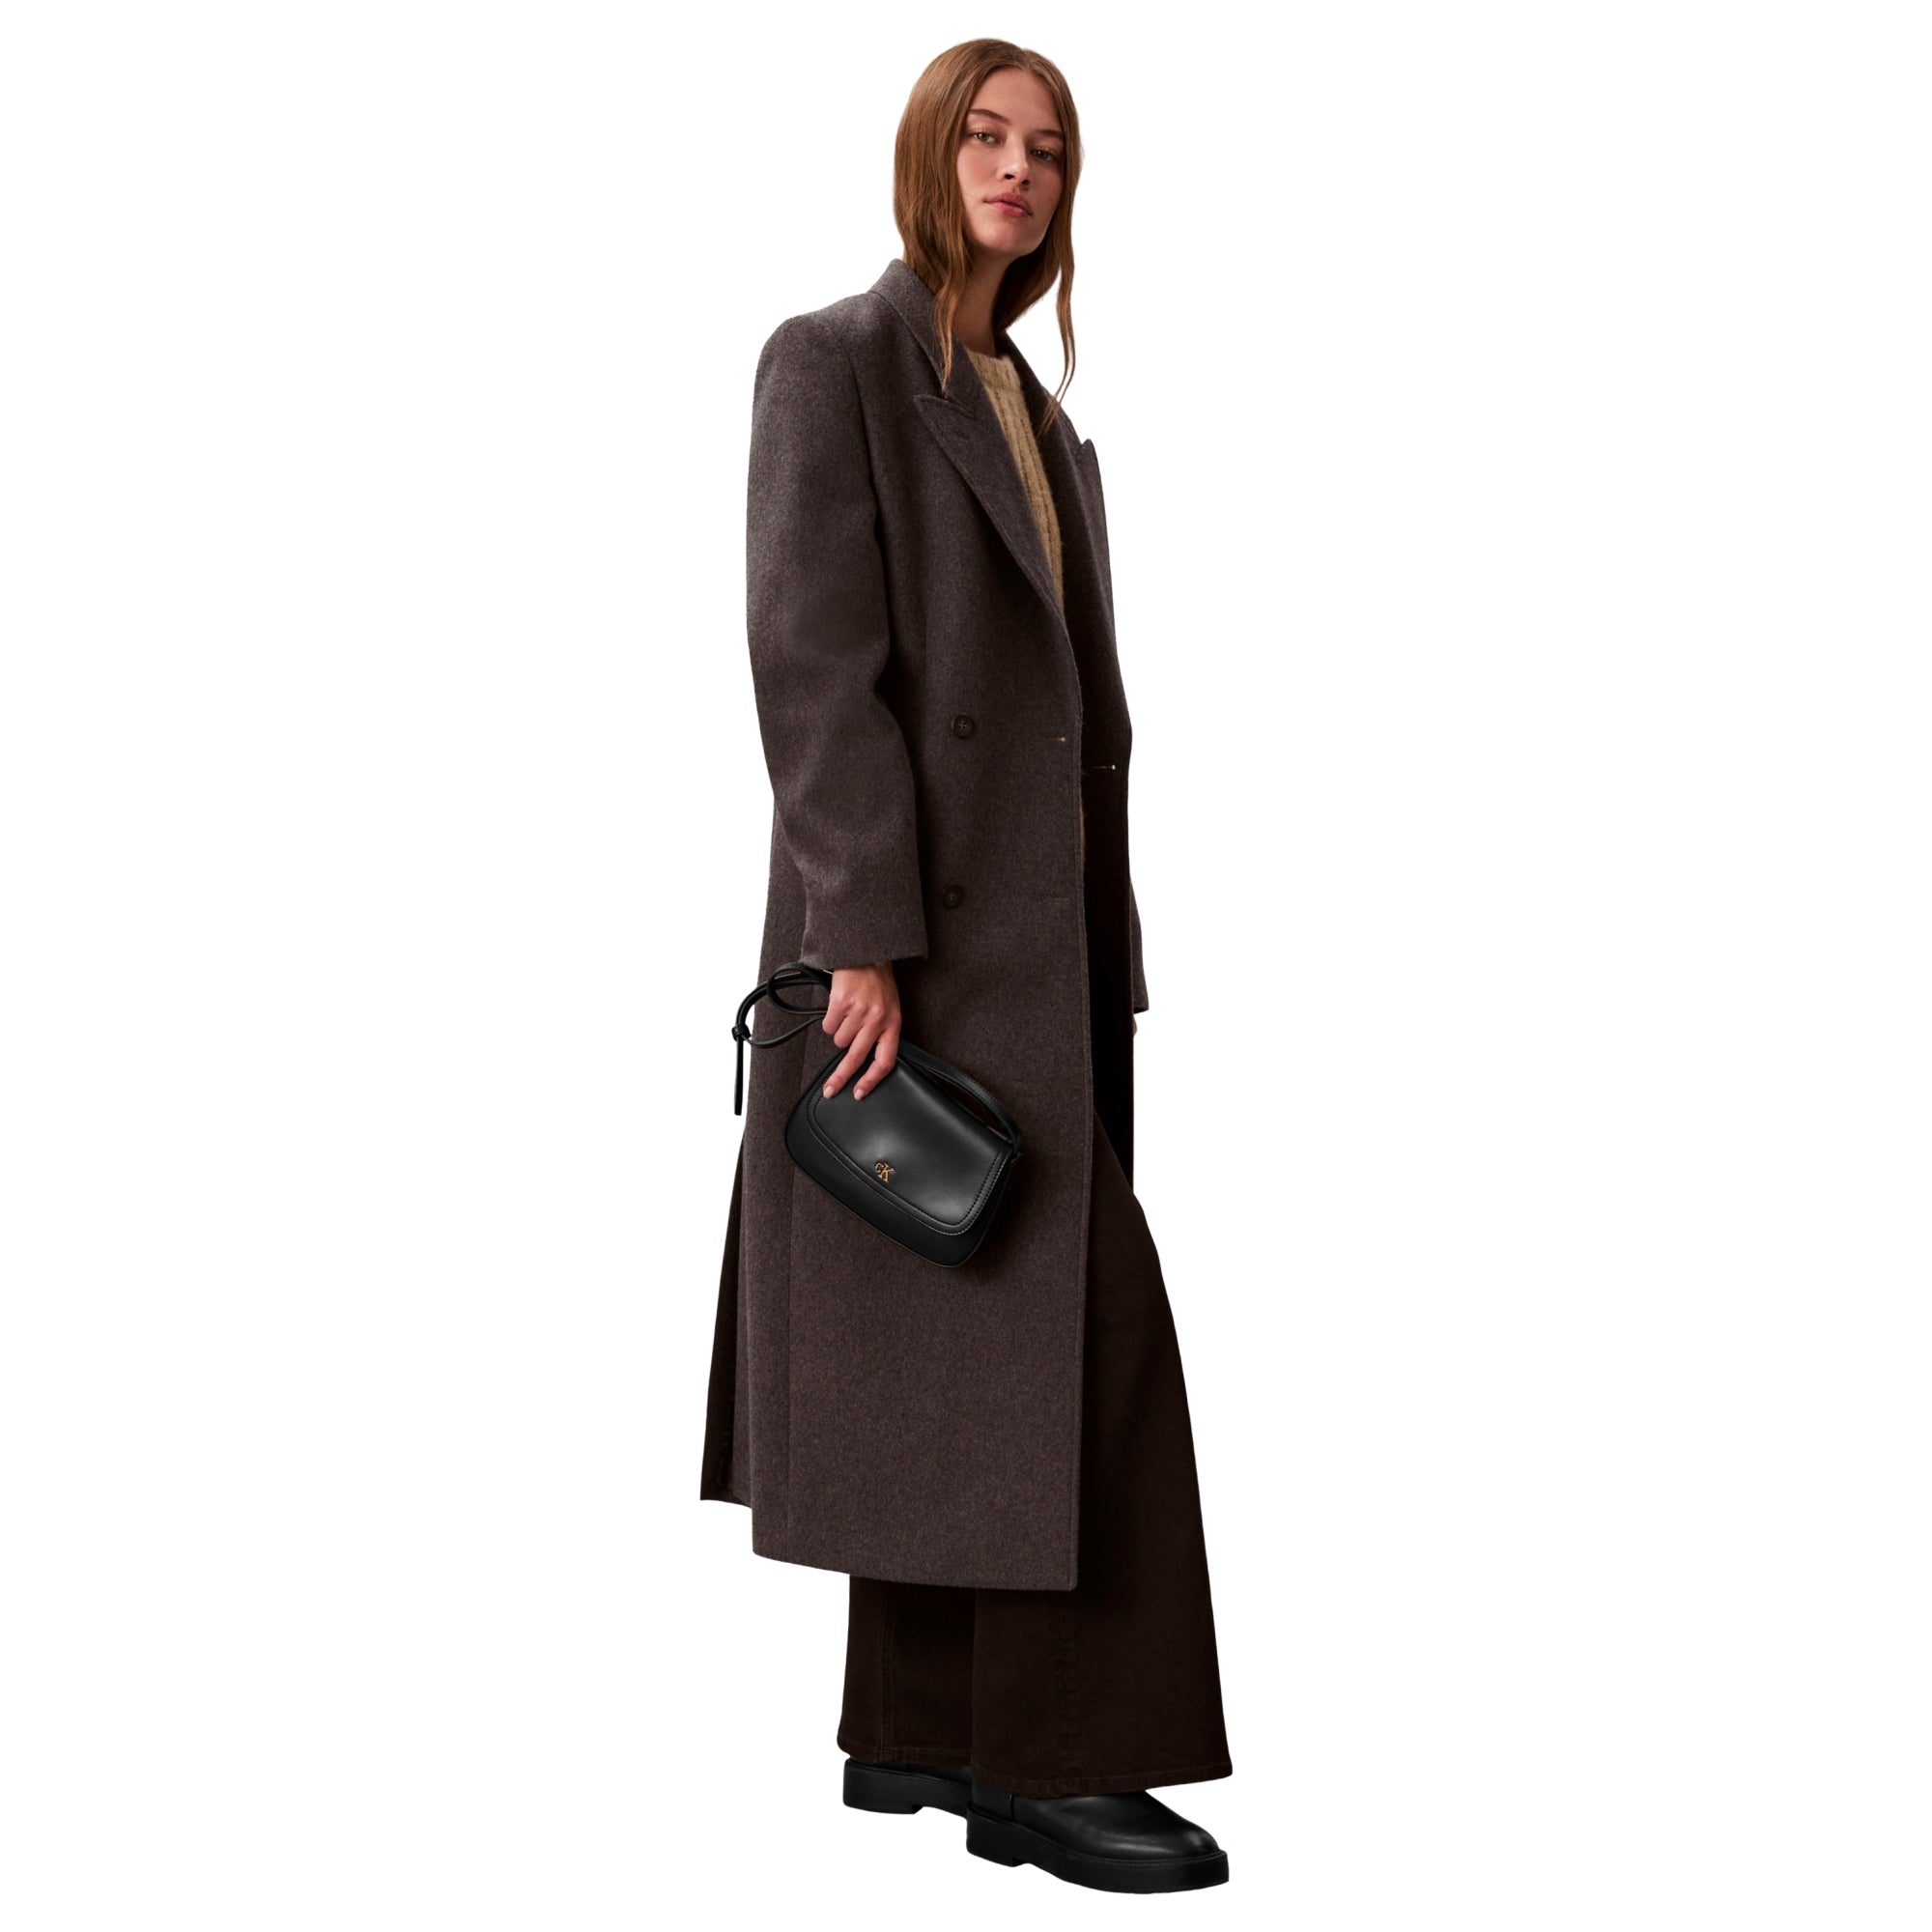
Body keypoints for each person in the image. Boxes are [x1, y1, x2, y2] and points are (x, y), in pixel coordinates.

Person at [701, 41, 1232, 1894]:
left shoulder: (1040, 415)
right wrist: (859, 935)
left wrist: (1107, 945)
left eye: (1049, 150)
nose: (1018, 169)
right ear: (928, 154)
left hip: (1049, 955)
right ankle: (1057, 1766)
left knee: (967, 1345)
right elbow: (813, 663)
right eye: (987, 137)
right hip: (916, 957)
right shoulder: (836, 363)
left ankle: (920, 1726)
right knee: (1075, 1356)